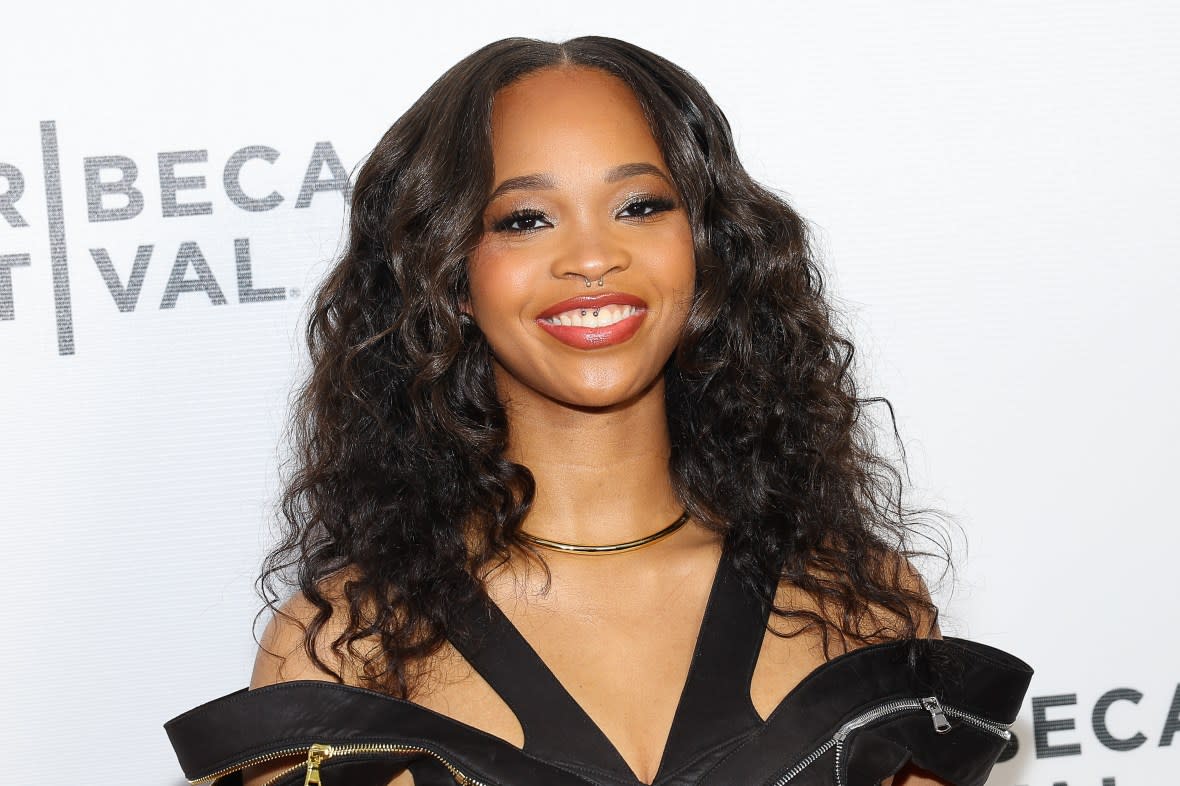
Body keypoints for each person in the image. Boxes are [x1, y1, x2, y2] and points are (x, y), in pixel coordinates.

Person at [165, 36, 1031, 786]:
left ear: (706, 248)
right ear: (449, 275)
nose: (591, 257)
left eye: (640, 206)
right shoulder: (343, 646)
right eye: (526, 218)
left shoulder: (862, 605)